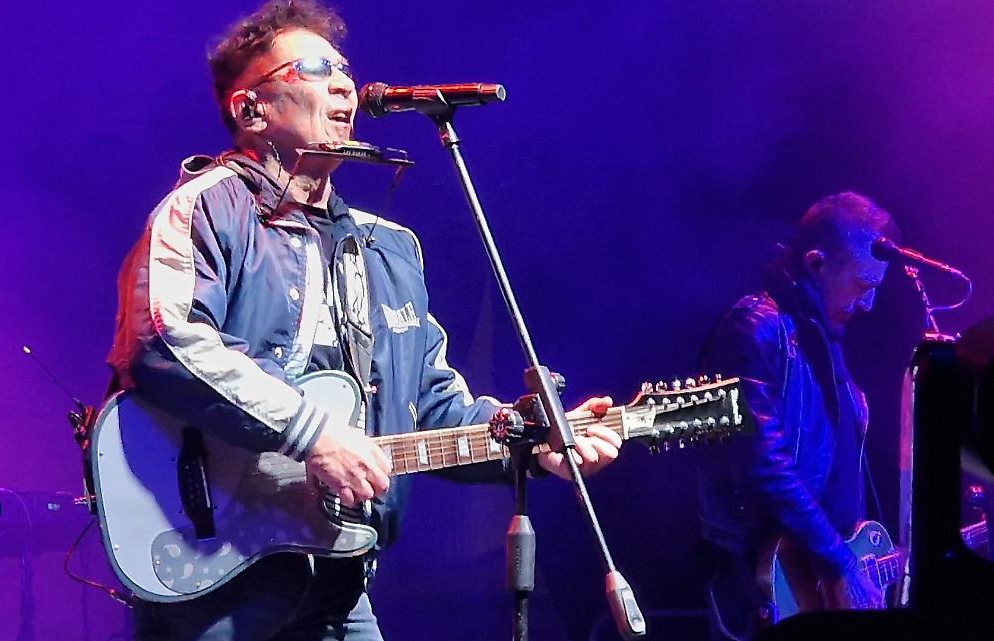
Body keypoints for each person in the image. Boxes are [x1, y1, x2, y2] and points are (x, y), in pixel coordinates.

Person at [105, 2, 622, 639]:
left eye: (345, 70)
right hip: (214, 568)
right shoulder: (207, 208)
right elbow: (166, 339)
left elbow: (428, 406)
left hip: (339, 577)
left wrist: (533, 445)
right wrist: (314, 434)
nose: (345, 86)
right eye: (315, 69)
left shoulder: (390, 248)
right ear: (251, 109)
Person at [696, 192, 901, 639]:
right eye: (863, 285)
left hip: (818, 577)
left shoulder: (822, 342)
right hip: (768, 581)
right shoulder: (756, 328)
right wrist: (841, 562)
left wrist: (853, 559)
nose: (868, 305)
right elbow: (763, 467)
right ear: (816, 264)